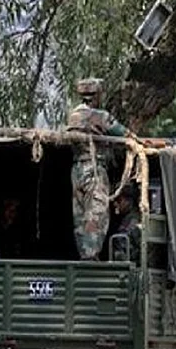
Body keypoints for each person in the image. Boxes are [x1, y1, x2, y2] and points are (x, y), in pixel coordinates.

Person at [65, 78, 133, 259]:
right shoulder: (99, 116)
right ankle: (91, 256)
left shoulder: (73, 115)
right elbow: (123, 133)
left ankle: (84, 254)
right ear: (97, 96)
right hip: (94, 168)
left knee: (80, 214)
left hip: (77, 169)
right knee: (97, 212)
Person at [110, 183, 141, 263]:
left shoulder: (133, 222)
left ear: (129, 201)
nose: (115, 204)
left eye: (119, 200)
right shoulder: (126, 219)